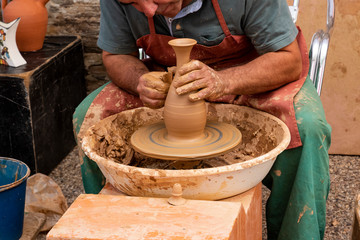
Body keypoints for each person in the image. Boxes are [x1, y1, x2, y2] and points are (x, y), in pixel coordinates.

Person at [73, 0, 332, 239]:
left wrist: (224, 81)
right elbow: (116, 55)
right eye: (133, 2)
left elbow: (287, 60)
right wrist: (139, 81)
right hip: (170, 77)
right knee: (92, 119)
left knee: (306, 127)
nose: (148, 10)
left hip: (251, 71)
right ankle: (118, 228)